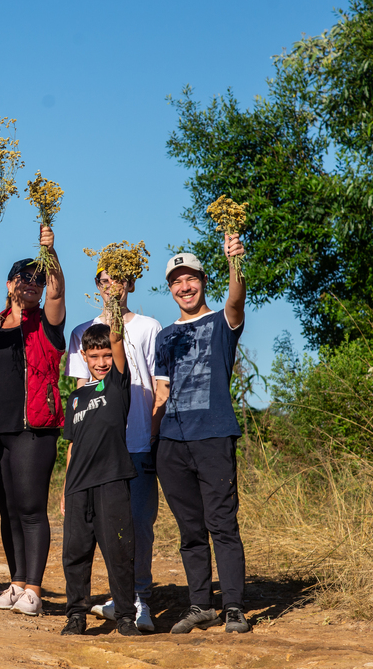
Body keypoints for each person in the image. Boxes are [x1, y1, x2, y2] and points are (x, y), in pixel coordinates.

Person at [153, 236, 251, 634]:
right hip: (172, 444)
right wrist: (151, 445)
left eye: (190, 278)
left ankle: (233, 606)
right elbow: (160, 392)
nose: (184, 287)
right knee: (190, 529)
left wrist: (236, 263)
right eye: (176, 281)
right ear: (170, 288)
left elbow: (237, 300)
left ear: (203, 281)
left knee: (222, 523)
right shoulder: (164, 336)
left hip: (213, 436)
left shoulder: (222, 321)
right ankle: (199, 606)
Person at [66, 266, 162, 632]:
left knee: (129, 536)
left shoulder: (142, 337)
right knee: (82, 545)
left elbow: (127, 359)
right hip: (86, 472)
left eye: (118, 279)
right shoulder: (78, 386)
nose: (101, 361)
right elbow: (76, 427)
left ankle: (133, 606)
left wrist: (151, 437)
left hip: (129, 456)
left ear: (130, 283)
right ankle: (88, 609)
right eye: (104, 281)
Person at [0, 227, 65, 617]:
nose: (32, 284)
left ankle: (34, 589)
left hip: (35, 429)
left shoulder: (46, 322)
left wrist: (51, 253)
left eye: (38, 280)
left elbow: (59, 293)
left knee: (31, 508)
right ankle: (15, 582)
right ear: (10, 283)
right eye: (25, 278)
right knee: (8, 509)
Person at [59, 308, 141, 637]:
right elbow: (71, 446)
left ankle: (124, 617)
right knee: (75, 554)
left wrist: (114, 301)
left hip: (112, 481)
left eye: (106, 355)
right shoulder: (76, 398)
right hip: (78, 488)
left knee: (119, 553)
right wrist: (65, 489)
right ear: (84, 356)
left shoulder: (118, 386)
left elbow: (118, 343)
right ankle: (76, 616)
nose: (102, 361)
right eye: (95, 356)